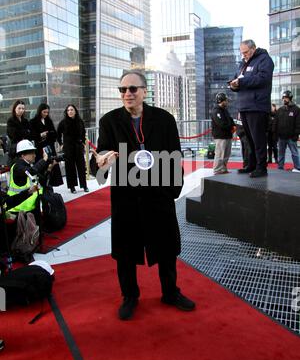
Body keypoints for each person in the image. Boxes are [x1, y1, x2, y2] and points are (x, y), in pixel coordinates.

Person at [92, 69, 195, 321]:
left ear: (144, 91)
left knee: (167, 247)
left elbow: (175, 156)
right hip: (126, 194)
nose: (127, 94)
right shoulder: (109, 121)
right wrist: (101, 163)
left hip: (158, 192)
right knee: (126, 251)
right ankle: (130, 296)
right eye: (122, 90)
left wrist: (173, 189)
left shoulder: (164, 119)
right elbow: (99, 161)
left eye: (132, 89)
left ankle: (170, 292)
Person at [229, 39, 274, 178]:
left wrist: (241, 82)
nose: (244, 55)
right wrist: (233, 85)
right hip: (244, 106)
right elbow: (237, 78)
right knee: (249, 139)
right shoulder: (243, 63)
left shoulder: (264, 59)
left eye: (246, 52)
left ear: (253, 48)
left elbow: (263, 79)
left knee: (258, 139)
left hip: (257, 106)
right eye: (242, 53)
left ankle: (261, 167)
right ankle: (252, 164)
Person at [6, 140, 53, 222]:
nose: (34, 155)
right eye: (32, 153)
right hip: (18, 210)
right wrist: (44, 160)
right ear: (23, 155)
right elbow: (30, 172)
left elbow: (42, 181)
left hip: (30, 209)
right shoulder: (18, 166)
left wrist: (49, 169)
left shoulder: (28, 165)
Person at [57, 104, 88, 194]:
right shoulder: (63, 122)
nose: (70, 111)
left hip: (78, 147)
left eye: (72, 110)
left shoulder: (80, 121)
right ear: (66, 112)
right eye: (68, 110)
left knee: (81, 167)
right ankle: (72, 187)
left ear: (75, 111)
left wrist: (82, 142)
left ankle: (84, 185)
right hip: (68, 148)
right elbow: (58, 134)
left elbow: (83, 132)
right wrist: (61, 144)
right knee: (70, 168)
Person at [30, 103, 63, 187]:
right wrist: (40, 135)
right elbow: (32, 135)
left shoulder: (49, 121)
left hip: (50, 147)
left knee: (52, 166)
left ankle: (50, 186)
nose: (46, 114)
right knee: (42, 166)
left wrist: (48, 134)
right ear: (40, 111)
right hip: (40, 149)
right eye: (44, 112)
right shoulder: (33, 122)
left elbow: (54, 133)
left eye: (47, 112)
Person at [275, 90, 300, 172]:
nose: (284, 99)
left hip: (291, 137)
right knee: (281, 153)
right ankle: (280, 167)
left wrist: (296, 134)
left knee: (294, 153)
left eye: (285, 98)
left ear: (290, 98)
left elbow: (298, 123)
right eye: (283, 98)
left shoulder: (296, 109)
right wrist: (275, 134)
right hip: (281, 137)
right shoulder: (280, 110)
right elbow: (276, 122)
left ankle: (297, 167)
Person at [211, 93, 235, 175]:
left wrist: (233, 125)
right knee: (220, 153)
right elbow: (221, 124)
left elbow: (230, 119)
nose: (227, 102)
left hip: (227, 135)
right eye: (226, 100)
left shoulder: (224, 110)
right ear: (221, 100)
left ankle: (223, 168)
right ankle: (217, 169)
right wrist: (231, 127)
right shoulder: (216, 111)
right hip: (220, 136)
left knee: (226, 154)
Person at [6, 100, 32, 165]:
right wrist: (25, 132)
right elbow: (13, 135)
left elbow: (30, 133)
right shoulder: (11, 120)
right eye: (19, 108)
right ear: (15, 109)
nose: (21, 110)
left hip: (25, 148)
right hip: (15, 149)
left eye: (23, 108)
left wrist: (21, 132)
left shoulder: (25, 121)